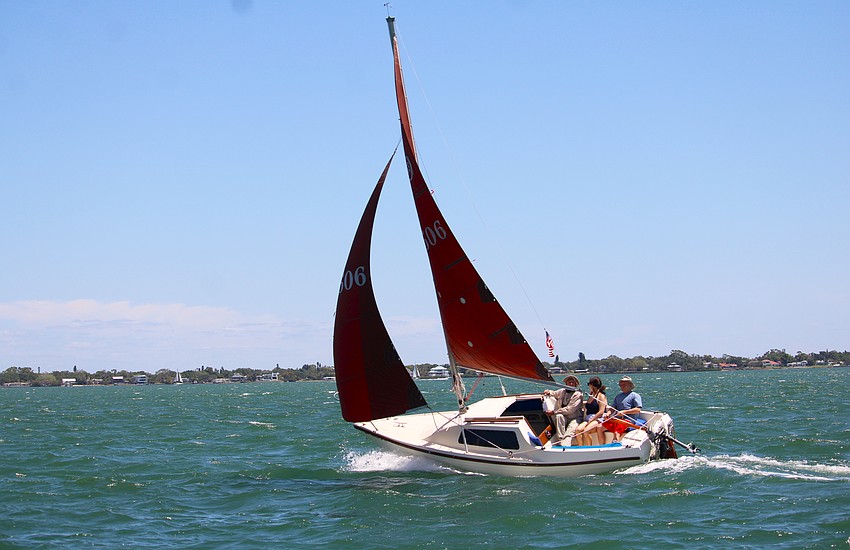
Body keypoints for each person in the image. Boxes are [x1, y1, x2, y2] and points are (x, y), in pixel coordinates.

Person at [543, 375, 584, 445]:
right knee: (559, 416)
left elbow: (570, 409)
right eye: (569, 382)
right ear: (566, 383)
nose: (571, 384)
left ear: (575, 384)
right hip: (564, 417)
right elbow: (554, 393)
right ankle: (560, 440)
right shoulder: (562, 391)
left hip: (574, 418)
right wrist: (548, 392)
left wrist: (554, 412)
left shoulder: (578, 395)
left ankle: (565, 446)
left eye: (572, 383)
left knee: (569, 433)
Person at [601, 376, 643, 442]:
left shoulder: (635, 395)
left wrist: (624, 412)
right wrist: (608, 413)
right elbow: (613, 408)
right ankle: (602, 446)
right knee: (599, 427)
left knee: (616, 432)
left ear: (630, 385)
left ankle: (614, 447)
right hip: (616, 420)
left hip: (628, 421)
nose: (622, 386)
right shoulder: (618, 396)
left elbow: (638, 409)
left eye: (624, 385)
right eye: (621, 385)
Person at [575, 376, 607, 446]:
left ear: (591, 385)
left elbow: (601, 412)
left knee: (586, 431)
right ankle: (581, 448)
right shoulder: (591, 395)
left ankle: (589, 447)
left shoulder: (601, 396)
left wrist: (592, 420)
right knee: (578, 430)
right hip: (588, 418)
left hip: (597, 418)